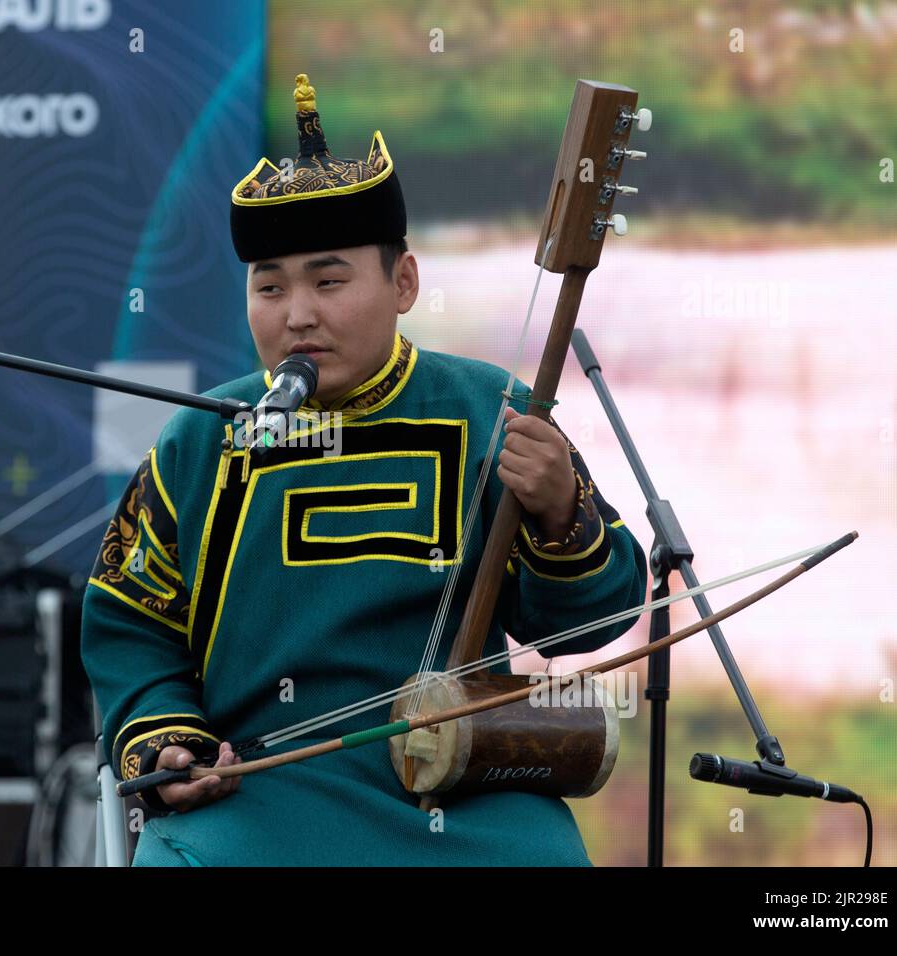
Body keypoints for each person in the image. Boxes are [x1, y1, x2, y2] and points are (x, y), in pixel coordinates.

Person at [80, 74, 648, 866]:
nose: (297, 314)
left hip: (457, 783)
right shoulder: (201, 439)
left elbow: (594, 617)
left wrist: (559, 510)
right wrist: (169, 741)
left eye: (329, 279)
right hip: (261, 785)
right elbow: (130, 624)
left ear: (404, 283)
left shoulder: (491, 409)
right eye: (268, 286)